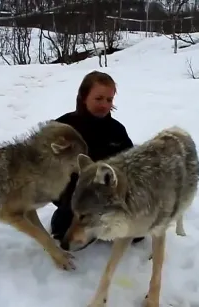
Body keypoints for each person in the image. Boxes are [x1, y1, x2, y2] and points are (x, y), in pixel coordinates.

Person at [50, 70, 144, 250]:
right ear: (84, 97)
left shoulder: (117, 130)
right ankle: (65, 216)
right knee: (63, 232)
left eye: (109, 100)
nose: (104, 105)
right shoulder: (63, 128)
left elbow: (133, 168)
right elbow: (46, 171)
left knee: (138, 235)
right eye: (99, 98)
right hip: (75, 201)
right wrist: (66, 200)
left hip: (110, 201)